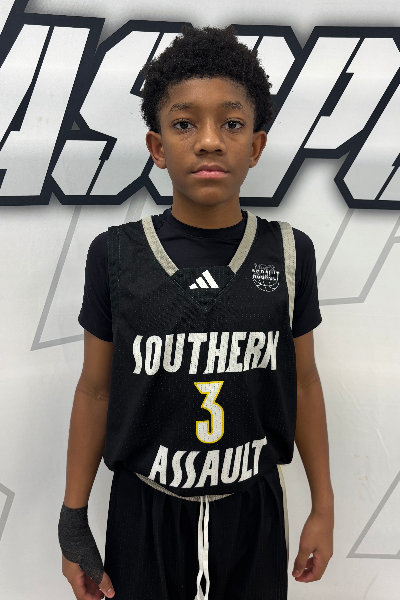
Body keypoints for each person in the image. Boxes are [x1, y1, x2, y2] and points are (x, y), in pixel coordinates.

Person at [59, 24, 334, 600]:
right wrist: (73, 521)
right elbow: (95, 390)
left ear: (255, 145)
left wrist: (323, 505)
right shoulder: (116, 254)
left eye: (231, 123)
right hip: (145, 507)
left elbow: (303, 382)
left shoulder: (289, 253)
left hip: (252, 508)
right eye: (185, 123)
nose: (209, 141)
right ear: (158, 147)